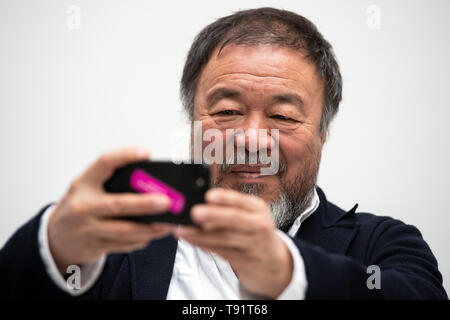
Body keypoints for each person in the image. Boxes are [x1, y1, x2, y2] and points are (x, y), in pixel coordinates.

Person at [0, 7, 447, 300]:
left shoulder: (382, 245)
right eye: (228, 111)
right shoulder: (116, 245)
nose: (252, 138)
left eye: (284, 116)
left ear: (323, 132)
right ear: (193, 123)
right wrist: (56, 243)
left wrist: (282, 270)